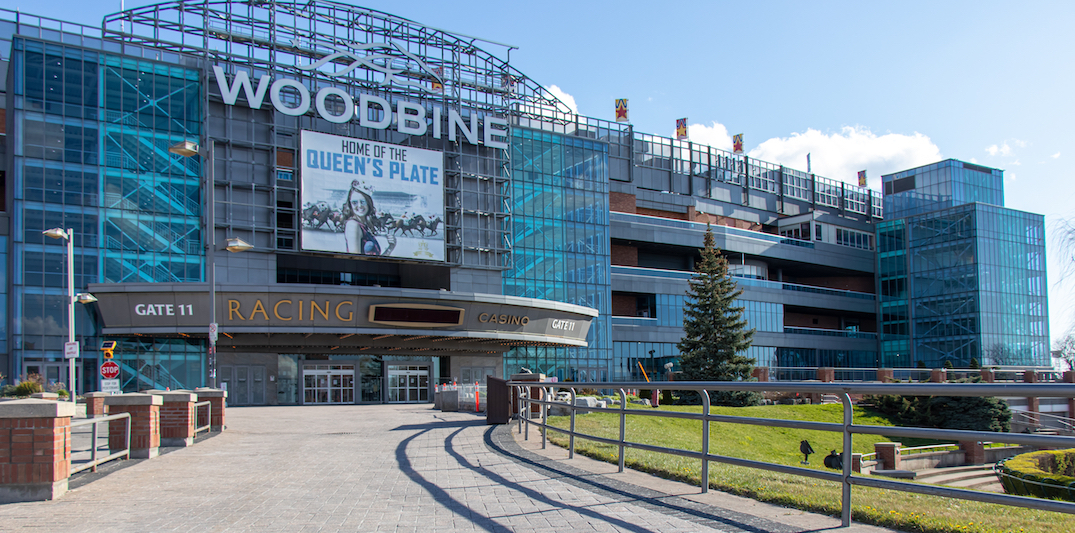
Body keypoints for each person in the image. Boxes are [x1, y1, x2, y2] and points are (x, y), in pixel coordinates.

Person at [341, 180, 395, 256]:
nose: (359, 206)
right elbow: (355, 259)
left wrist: (390, 247)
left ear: (368, 202)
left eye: (363, 201)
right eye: (354, 202)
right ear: (350, 205)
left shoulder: (363, 226)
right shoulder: (353, 225)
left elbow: (374, 261)